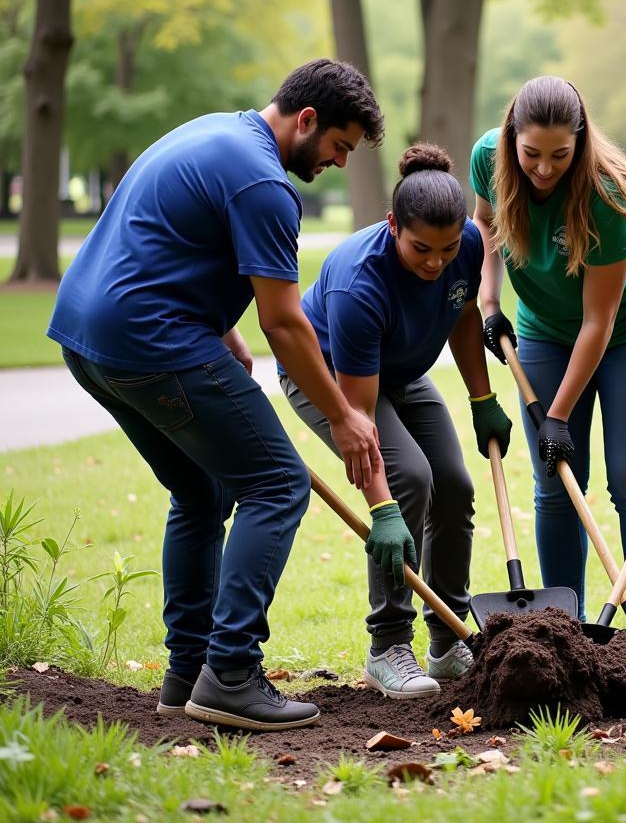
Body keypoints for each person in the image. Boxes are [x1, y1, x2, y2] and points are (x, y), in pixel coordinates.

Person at [46, 58, 405, 730]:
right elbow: (285, 323)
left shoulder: (215, 132)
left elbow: (166, 241)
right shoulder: (267, 186)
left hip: (86, 339)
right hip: (151, 343)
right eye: (338, 147)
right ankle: (232, 672)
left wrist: (218, 327)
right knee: (276, 483)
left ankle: (187, 675)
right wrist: (345, 418)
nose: (336, 162)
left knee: (202, 492)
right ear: (307, 121)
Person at [280, 144, 512, 698]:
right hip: (334, 378)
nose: (436, 261)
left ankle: (446, 639)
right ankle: (387, 645)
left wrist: (482, 399)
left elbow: (461, 314)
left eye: (448, 247)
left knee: (454, 485)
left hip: (402, 373)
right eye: (421, 249)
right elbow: (357, 415)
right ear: (392, 226)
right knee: (409, 477)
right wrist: (382, 508)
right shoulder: (360, 284)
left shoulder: (469, 245)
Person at [470, 76, 626, 624]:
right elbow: (485, 225)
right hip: (544, 324)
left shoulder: (607, 191)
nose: (543, 168)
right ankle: (569, 630)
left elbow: (599, 319)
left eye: (560, 155)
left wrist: (557, 415)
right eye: (532, 153)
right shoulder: (488, 158)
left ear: (581, 141)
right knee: (555, 484)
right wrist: (489, 303)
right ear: (512, 137)